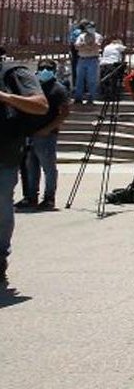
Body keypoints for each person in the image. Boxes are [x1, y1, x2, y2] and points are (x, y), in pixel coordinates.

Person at [1, 56, 50, 287]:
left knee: (1, 204)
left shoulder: (13, 72)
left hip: (4, 154)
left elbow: (41, 105)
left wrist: (3, 97)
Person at [15, 59, 69, 211]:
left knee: (49, 168)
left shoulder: (58, 89)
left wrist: (49, 129)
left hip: (47, 135)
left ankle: (49, 198)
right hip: (30, 133)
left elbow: (64, 112)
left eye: (48, 68)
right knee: (31, 167)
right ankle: (31, 197)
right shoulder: (33, 86)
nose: (45, 70)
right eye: (42, 68)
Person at [72, 21, 102, 105]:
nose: (90, 29)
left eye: (92, 27)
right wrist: (88, 46)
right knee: (79, 79)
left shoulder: (98, 36)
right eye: (89, 27)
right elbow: (76, 46)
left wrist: (84, 46)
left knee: (92, 80)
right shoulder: (81, 36)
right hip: (82, 59)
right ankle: (78, 98)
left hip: (93, 59)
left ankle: (91, 98)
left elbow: (96, 45)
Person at [99, 36, 127, 101]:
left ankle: (104, 96)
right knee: (113, 80)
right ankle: (112, 96)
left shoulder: (107, 47)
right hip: (112, 64)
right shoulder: (117, 46)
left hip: (103, 64)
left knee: (105, 81)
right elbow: (127, 49)